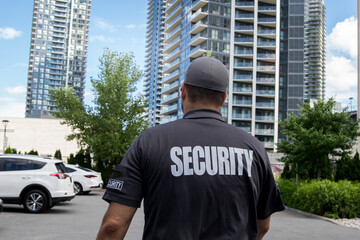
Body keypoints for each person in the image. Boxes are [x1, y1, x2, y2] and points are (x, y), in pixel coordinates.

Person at [96, 57, 285, 240]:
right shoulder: (254, 148)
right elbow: (263, 225)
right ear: (223, 98)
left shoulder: (149, 141)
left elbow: (113, 225)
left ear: (183, 91)